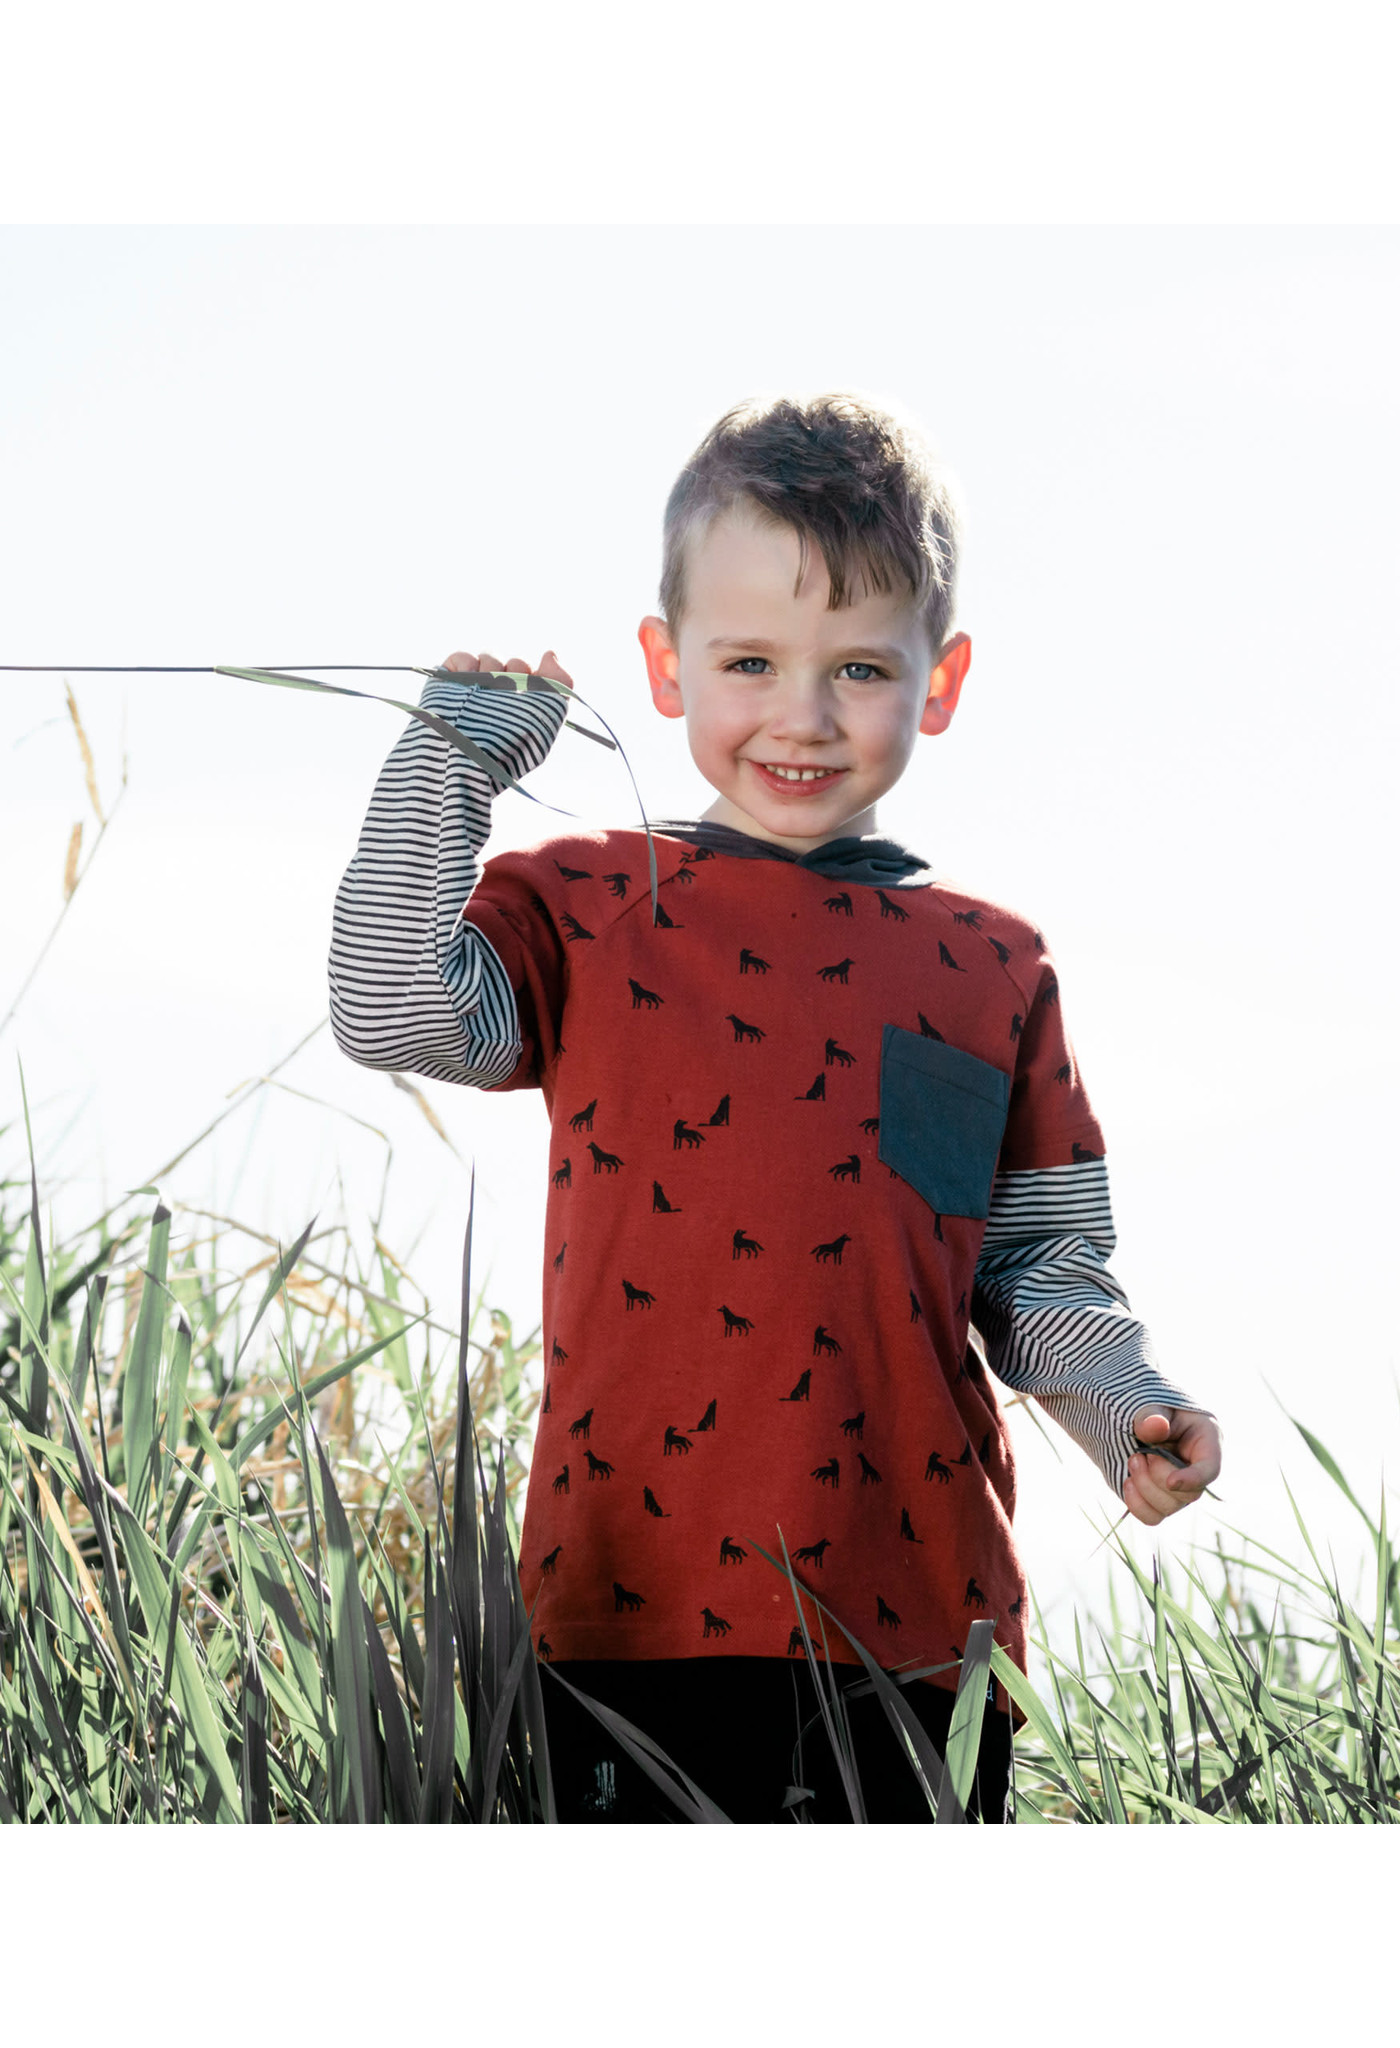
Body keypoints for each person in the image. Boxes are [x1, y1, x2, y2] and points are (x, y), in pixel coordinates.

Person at [327, 393, 1222, 1822]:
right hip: (627, 1609)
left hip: (922, 1631)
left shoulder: (989, 966)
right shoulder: (592, 907)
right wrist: (453, 760)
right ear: (665, 665)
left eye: (860, 667)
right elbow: (390, 1008)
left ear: (943, 679)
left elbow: (1032, 1268)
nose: (802, 717)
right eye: (751, 661)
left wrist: (1127, 1412)